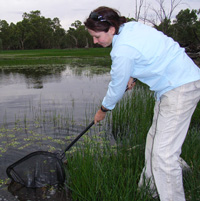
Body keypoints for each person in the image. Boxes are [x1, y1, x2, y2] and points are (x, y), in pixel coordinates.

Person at [84, 6, 200, 201]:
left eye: (97, 36)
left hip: (180, 88)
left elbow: (116, 86)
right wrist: (132, 74)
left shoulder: (122, 50)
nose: (95, 41)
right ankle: (149, 190)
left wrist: (103, 110)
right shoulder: (131, 28)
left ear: (111, 29)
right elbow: (149, 55)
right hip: (173, 86)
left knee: (164, 155)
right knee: (153, 140)